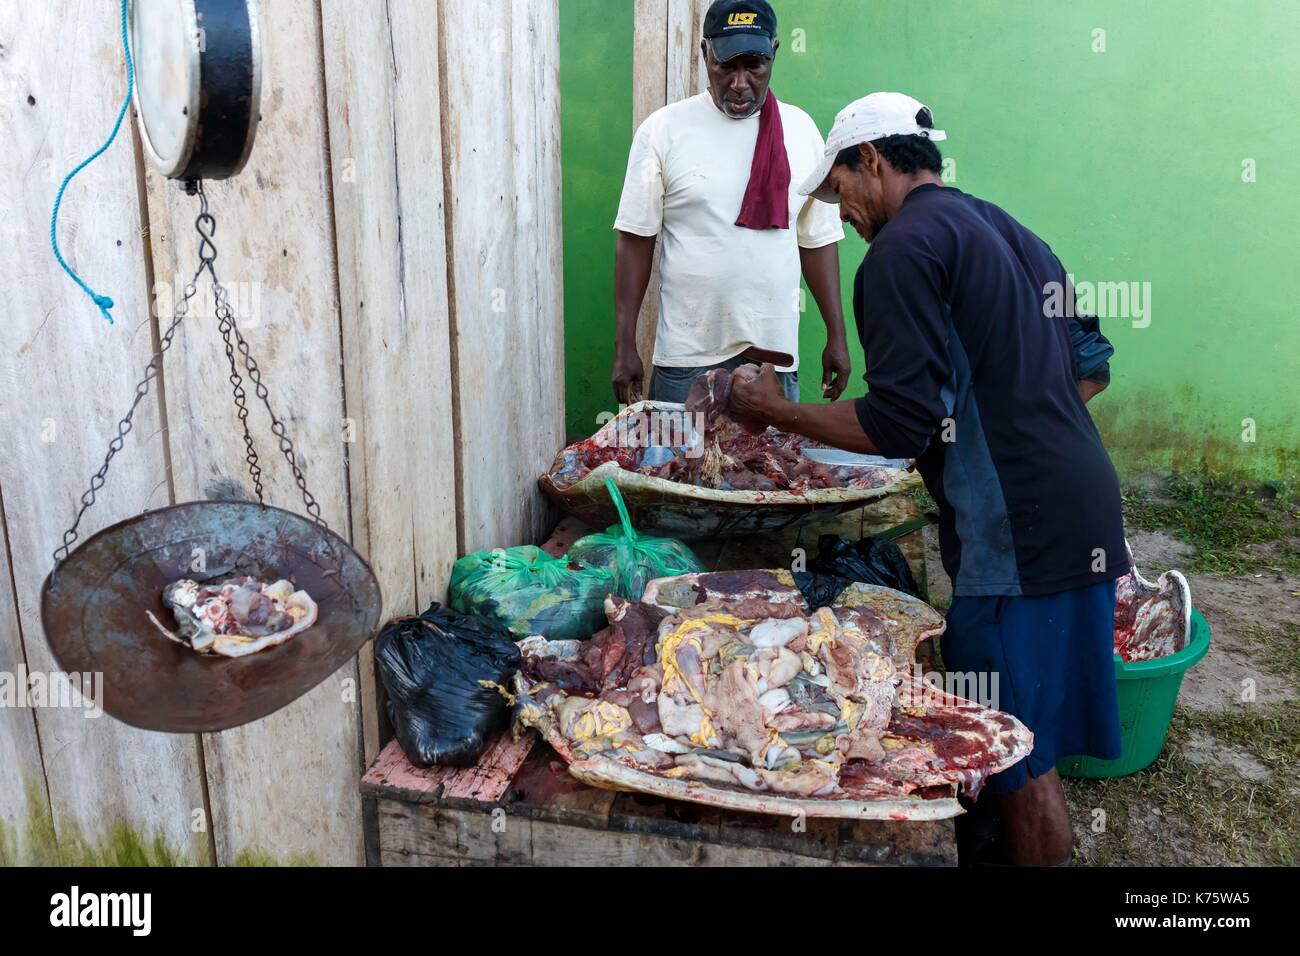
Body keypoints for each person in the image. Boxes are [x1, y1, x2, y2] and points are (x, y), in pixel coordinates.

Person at [729, 92, 1127, 866]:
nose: (842, 215)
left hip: (1019, 538)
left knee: (1014, 752)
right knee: (1025, 734)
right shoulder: (1009, 230)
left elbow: (896, 424)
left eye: (840, 191)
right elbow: (1092, 368)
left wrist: (776, 411)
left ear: (869, 163)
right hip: (1080, 502)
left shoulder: (902, 252)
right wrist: (1004, 430)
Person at [611, 0, 849, 406]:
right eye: (726, 66)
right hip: (687, 358)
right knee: (678, 469)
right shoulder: (664, 130)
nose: (740, 82)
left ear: (774, 53)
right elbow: (636, 240)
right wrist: (625, 344)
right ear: (705, 54)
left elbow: (817, 240)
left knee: (769, 468)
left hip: (773, 359)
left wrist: (837, 335)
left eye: (754, 66)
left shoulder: (800, 130)